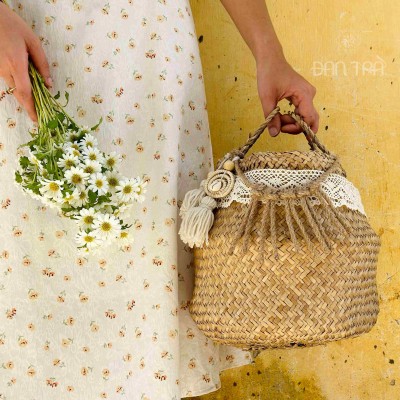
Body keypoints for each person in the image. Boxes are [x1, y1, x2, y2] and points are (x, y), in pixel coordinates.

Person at [0, 1, 318, 399]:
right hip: (27, 45)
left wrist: (270, 53)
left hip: (147, 62)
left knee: (141, 308)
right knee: (28, 295)